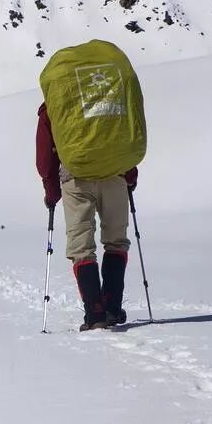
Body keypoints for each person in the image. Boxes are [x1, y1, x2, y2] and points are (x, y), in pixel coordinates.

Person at [37, 103, 138, 330]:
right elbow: (127, 134)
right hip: (114, 172)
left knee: (81, 246)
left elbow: (45, 153)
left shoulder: (56, 97)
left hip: (75, 177)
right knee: (116, 240)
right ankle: (111, 307)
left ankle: (95, 314)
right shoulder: (108, 92)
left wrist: (51, 191)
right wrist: (129, 174)